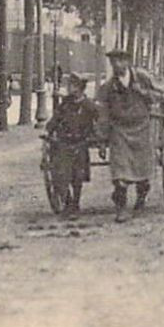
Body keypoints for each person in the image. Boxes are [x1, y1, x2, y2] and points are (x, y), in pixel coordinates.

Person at [95, 49, 164, 223]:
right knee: (119, 173)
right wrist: (102, 140)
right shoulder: (108, 87)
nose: (116, 65)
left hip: (142, 128)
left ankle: (141, 196)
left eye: (120, 61)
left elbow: (161, 96)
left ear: (127, 61)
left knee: (143, 172)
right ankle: (121, 208)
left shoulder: (142, 77)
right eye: (113, 62)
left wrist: (142, 92)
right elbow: (102, 113)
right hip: (119, 131)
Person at [44, 73, 98, 218]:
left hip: (81, 143)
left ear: (80, 88)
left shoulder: (89, 105)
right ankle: (67, 202)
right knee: (61, 173)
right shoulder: (65, 104)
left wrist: (98, 138)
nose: (69, 88)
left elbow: (99, 121)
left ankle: (76, 203)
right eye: (69, 85)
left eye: (73, 85)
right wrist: (49, 129)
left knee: (78, 176)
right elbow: (55, 119)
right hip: (64, 142)